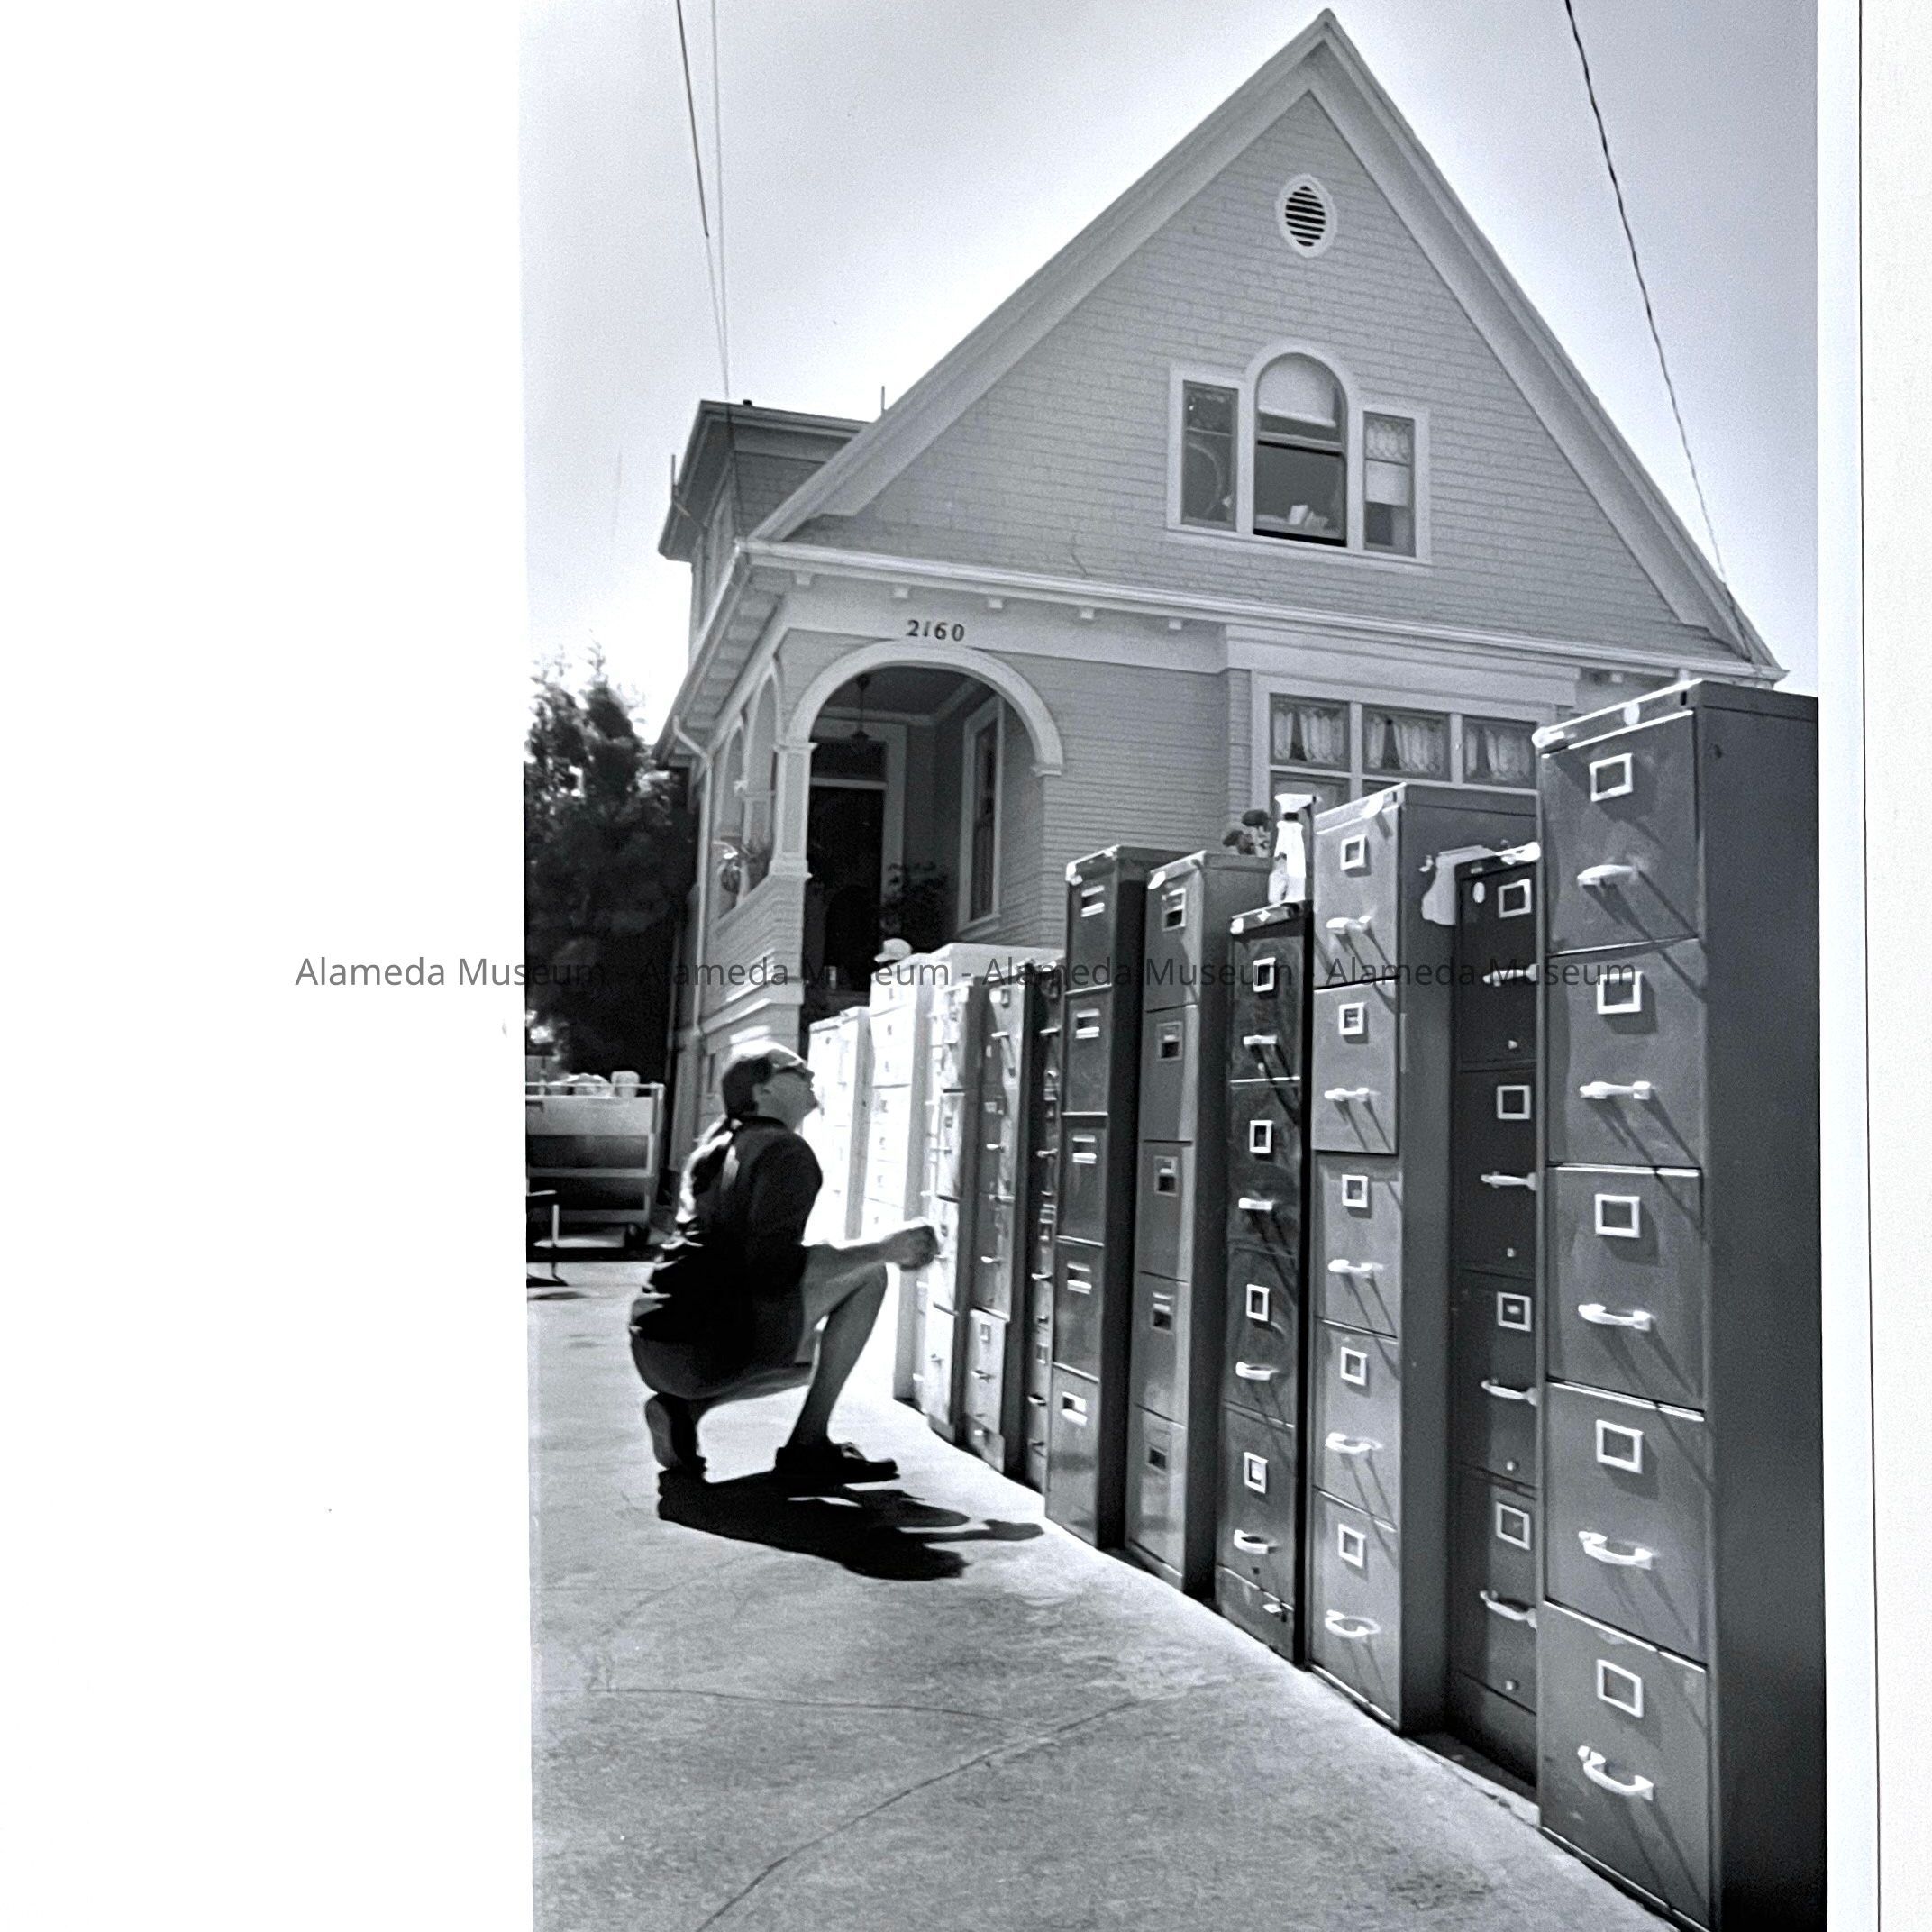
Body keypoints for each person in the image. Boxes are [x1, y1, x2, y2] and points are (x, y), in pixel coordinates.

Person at [628, 1043, 938, 1488]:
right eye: (795, 1068)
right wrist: (887, 1248)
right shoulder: (785, 1150)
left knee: (813, 1354)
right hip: (700, 1351)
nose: (809, 1074)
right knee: (868, 1277)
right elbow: (775, 1268)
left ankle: (685, 1411)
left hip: (654, 1342)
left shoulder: (715, 1147)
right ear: (764, 1090)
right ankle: (808, 1447)